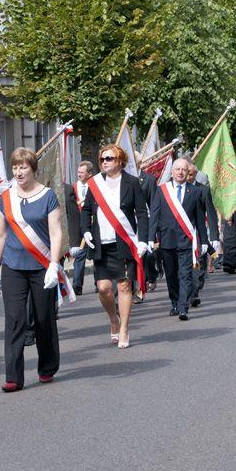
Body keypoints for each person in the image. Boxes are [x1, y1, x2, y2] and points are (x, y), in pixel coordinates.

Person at [0, 148, 63, 393]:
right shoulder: (6, 197)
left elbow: (55, 232)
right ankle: (13, 377)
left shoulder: (48, 196)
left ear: (33, 169)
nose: (19, 172)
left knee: (43, 318)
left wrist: (54, 264)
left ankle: (47, 366)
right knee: (14, 319)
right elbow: (0, 234)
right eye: (15, 167)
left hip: (41, 266)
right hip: (13, 265)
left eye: (23, 167)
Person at [80, 144, 149, 349]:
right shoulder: (95, 184)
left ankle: (125, 328)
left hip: (124, 242)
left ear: (120, 161)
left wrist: (143, 240)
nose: (104, 162)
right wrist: (85, 230)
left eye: (108, 159)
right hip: (102, 243)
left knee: (124, 286)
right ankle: (113, 319)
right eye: (102, 159)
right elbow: (86, 210)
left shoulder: (132, 182)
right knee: (103, 288)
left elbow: (142, 213)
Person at [149, 159, 207, 320]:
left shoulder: (195, 192)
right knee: (171, 275)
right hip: (166, 240)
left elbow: (200, 219)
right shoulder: (162, 190)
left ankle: (183, 307)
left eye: (183, 169)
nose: (180, 172)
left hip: (187, 241)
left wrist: (205, 241)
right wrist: (149, 238)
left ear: (188, 172)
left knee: (185, 274)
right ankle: (174, 302)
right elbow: (154, 215)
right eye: (177, 169)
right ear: (172, 172)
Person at [186, 162, 219, 307]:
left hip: (198, 232)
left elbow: (211, 214)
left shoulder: (203, 190)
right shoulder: (175, 187)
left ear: (196, 174)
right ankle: (188, 292)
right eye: (186, 173)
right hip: (180, 232)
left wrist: (215, 237)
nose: (187, 176)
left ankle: (194, 291)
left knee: (198, 260)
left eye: (191, 174)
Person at [136, 155, 158, 301]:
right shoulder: (121, 180)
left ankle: (152, 275)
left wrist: (154, 227)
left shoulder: (149, 180)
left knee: (148, 255)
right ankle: (139, 288)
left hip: (146, 222)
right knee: (136, 257)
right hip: (129, 225)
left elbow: (154, 205)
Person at [70, 161, 93, 295]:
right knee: (80, 254)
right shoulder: (73, 188)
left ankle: (98, 283)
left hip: (94, 225)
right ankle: (77, 285)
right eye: (78, 172)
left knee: (96, 255)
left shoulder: (95, 187)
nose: (79, 174)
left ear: (89, 174)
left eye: (82, 172)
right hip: (79, 226)